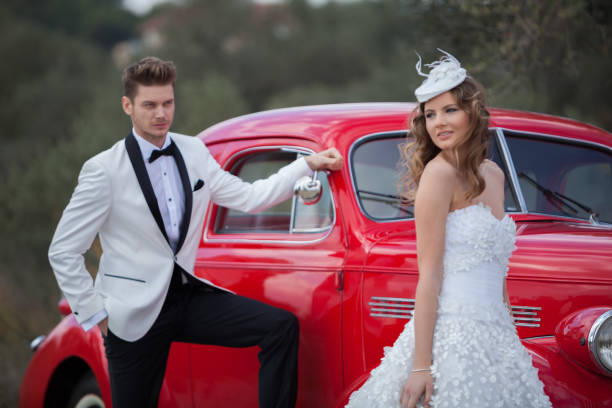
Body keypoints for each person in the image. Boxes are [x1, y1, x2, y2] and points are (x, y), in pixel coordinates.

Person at [48, 56, 343, 408]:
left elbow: (249, 197)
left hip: (187, 298)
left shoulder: (193, 150)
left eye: (168, 103)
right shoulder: (103, 170)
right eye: (150, 105)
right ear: (127, 106)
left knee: (279, 328)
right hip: (131, 316)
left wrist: (305, 164)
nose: (161, 113)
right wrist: (98, 316)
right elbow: (63, 250)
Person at [345, 51, 552, 408]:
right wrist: (422, 366)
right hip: (451, 335)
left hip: (499, 337)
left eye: (449, 110)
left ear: (473, 113)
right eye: (430, 114)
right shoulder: (437, 175)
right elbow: (428, 277)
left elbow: (497, 267)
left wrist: (511, 338)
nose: (438, 122)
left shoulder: (495, 174)